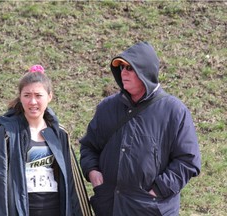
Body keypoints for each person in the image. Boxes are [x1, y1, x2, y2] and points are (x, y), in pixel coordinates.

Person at [79, 42, 201, 216]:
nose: (123, 73)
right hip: (109, 206)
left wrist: (158, 190)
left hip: (151, 209)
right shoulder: (107, 107)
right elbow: (89, 146)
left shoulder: (174, 111)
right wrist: (92, 172)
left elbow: (188, 161)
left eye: (129, 68)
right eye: (121, 67)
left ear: (145, 71)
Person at [0, 65, 92, 216]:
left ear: (49, 97)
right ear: (20, 97)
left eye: (38, 95)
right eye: (27, 95)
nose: (33, 102)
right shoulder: (5, 136)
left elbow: (73, 182)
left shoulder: (60, 134)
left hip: (55, 210)